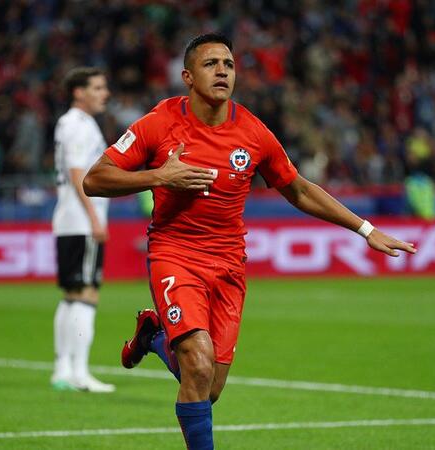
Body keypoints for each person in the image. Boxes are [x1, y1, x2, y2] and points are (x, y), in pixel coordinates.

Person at [83, 33, 417, 449]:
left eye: (229, 64)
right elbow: (94, 179)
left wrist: (366, 230)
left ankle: (153, 336)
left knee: (208, 387)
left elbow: (299, 190)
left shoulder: (253, 132)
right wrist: (159, 176)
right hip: (175, 254)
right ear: (188, 77)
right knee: (198, 365)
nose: (222, 71)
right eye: (211, 64)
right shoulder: (158, 123)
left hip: (228, 264)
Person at [50, 67, 115, 393]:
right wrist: (94, 218)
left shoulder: (67, 123)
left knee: (72, 294)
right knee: (88, 293)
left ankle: (62, 369)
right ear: (79, 92)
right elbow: (78, 174)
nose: (105, 94)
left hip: (67, 220)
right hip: (82, 221)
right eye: (97, 88)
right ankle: (79, 372)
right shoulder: (80, 125)